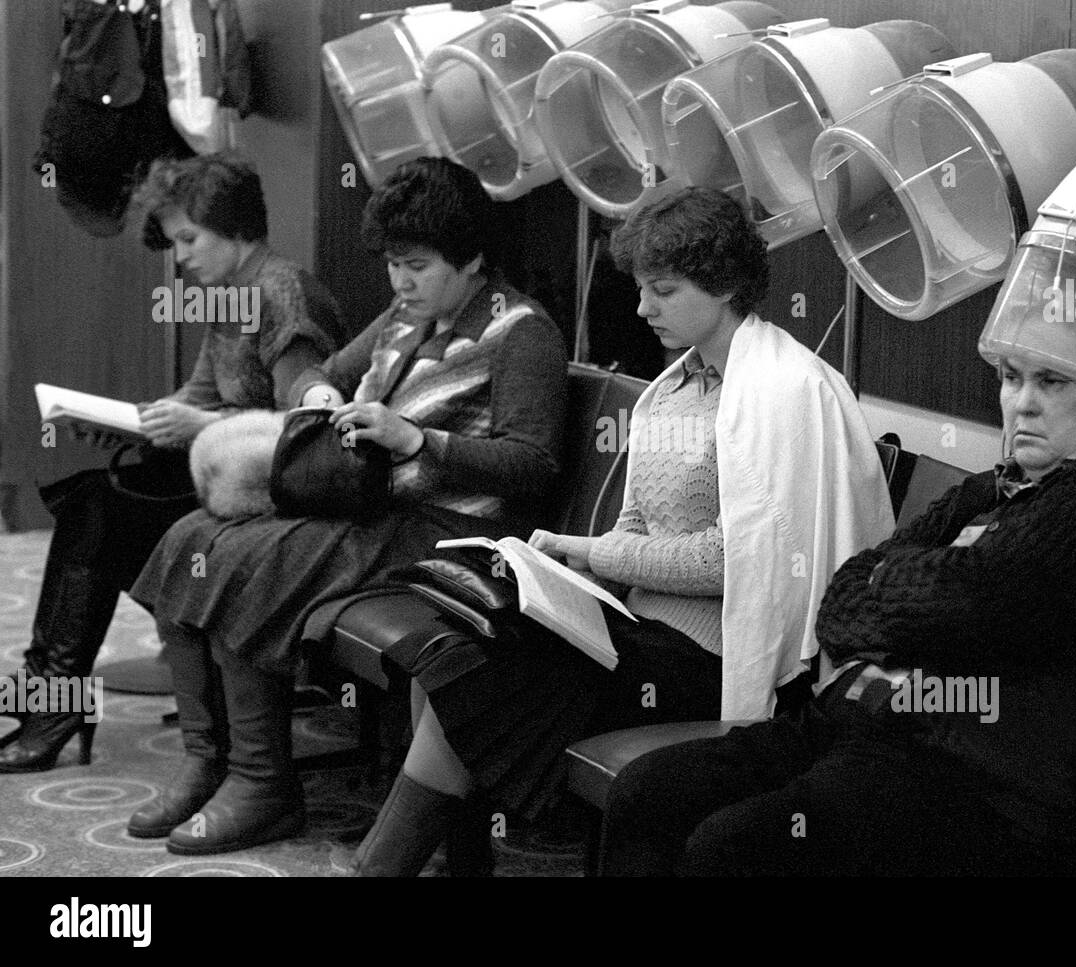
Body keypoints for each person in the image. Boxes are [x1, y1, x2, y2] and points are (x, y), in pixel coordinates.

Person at [350, 187, 896, 876]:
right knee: (454, 649)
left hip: (718, 659)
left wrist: (583, 550)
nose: (642, 309)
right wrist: (553, 581)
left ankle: (379, 869)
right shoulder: (673, 386)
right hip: (642, 635)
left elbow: (740, 561)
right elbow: (637, 521)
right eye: (642, 288)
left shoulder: (784, 391)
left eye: (664, 290)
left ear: (725, 283)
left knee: (475, 672)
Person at [598, 347, 1076, 876]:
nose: (1021, 404)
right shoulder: (998, 484)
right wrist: (905, 592)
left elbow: (972, 598)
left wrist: (894, 588)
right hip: (873, 728)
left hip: (995, 792)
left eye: (1050, 383)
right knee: (647, 794)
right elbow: (841, 598)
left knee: (735, 846)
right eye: (1010, 378)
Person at [126, 156, 569, 855]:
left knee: (242, 560)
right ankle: (207, 758)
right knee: (194, 537)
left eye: (417, 266)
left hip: (447, 534)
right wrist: (321, 397)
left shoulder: (523, 333)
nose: (400, 282)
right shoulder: (401, 318)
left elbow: (534, 465)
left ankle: (262, 781)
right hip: (377, 512)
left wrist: (420, 438)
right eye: (393, 264)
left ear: (474, 257)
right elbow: (314, 373)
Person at [0, 152, 345, 773]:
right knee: (86, 495)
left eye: (190, 238)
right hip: (220, 480)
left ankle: (51, 697)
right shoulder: (226, 294)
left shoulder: (283, 292)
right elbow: (200, 398)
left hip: (273, 500)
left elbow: (307, 433)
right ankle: (48, 692)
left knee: (99, 515)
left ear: (236, 230)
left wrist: (200, 426)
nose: (179, 256)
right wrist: (147, 420)